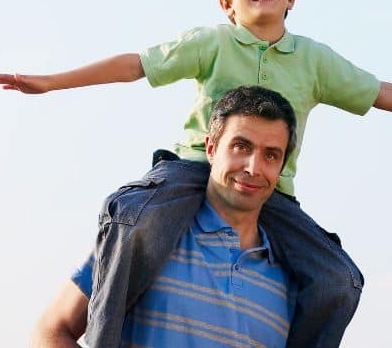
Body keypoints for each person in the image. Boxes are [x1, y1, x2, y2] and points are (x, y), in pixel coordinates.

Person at [0, 0, 392, 348]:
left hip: (271, 190)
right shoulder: (213, 42)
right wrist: (51, 82)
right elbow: (135, 65)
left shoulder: (314, 60)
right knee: (133, 218)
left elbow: (382, 93)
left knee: (338, 282)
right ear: (227, 0)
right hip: (194, 168)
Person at [33, 86, 300, 348]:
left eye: (270, 155)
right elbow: (51, 331)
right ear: (211, 149)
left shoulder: (293, 280)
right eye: (241, 147)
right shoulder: (145, 235)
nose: (254, 167)